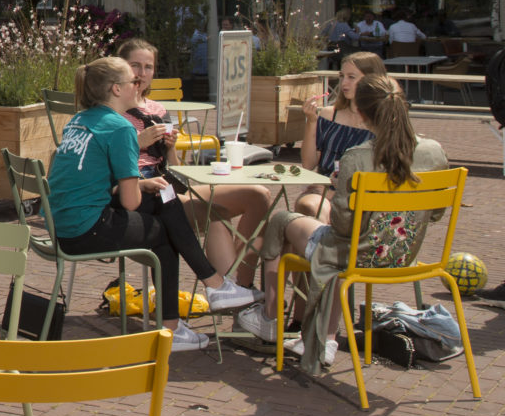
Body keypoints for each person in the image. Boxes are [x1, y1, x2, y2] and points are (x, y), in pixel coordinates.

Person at [46, 57, 260, 353]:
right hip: (87, 229)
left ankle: (210, 291)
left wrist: (142, 184)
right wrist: (137, 186)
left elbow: (85, 179)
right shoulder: (120, 128)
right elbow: (130, 203)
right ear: (116, 89)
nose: (139, 85)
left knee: (163, 196)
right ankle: (194, 306)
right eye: (132, 81)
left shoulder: (79, 120)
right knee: (164, 231)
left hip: (63, 226)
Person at [250, 73, 447, 371]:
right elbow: (435, 213)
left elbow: (342, 227)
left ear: (364, 113)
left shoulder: (359, 157)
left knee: (282, 221)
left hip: (355, 256)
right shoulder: (433, 151)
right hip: (403, 255)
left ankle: (270, 317)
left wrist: (340, 186)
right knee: (327, 246)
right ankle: (322, 336)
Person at [116, 37, 270, 287]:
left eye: (148, 67)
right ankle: (233, 293)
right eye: (135, 65)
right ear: (121, 67)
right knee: (215, 214)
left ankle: (242, 282)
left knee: (258, 195)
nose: (142, 73)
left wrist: (171, 146)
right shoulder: (114, 110)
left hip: (169, 182)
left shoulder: (157, 109)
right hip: (144, 188)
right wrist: (139, 142)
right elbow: (114, 166)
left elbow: (174, 168)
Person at [294, 51, 384, 223]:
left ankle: (317, 246)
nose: (344, 83)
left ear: (372, 80)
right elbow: (308, 164)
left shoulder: (381, 123)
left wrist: (333, 194)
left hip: (362, 196)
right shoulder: (330, 115)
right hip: (323, 191)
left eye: (352, 77)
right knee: (311, 207)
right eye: (342, 76)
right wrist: (312, 122)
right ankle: (317, 247)